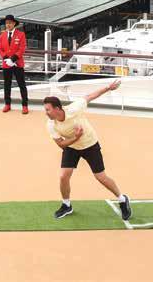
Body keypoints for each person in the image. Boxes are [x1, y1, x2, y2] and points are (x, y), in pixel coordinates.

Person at [44, 80, 132, 221]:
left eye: (48, 109)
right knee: (63, 176)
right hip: (72, 147)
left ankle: (122, 199)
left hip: (90, 145)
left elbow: (90, 96)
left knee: (101, 177)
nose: (46, 112)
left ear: (57, 108)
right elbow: (61, 144)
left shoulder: (74, 109)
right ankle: (66, 205)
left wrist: (108, 87)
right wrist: (76, 137)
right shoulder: (50, 124)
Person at [0, 14, 29, 114]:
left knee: (22, 85)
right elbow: (0, 49)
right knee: (7, 85)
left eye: (10, 23)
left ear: (14, 23)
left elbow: (22, 48)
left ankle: (25, 105)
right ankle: (7, 104)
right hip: (6, 64)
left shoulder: (21, 34)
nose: (8, 24)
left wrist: (13, 59)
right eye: (7, 23)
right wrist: (6, 59)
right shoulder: (2, 36)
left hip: (18, 64)